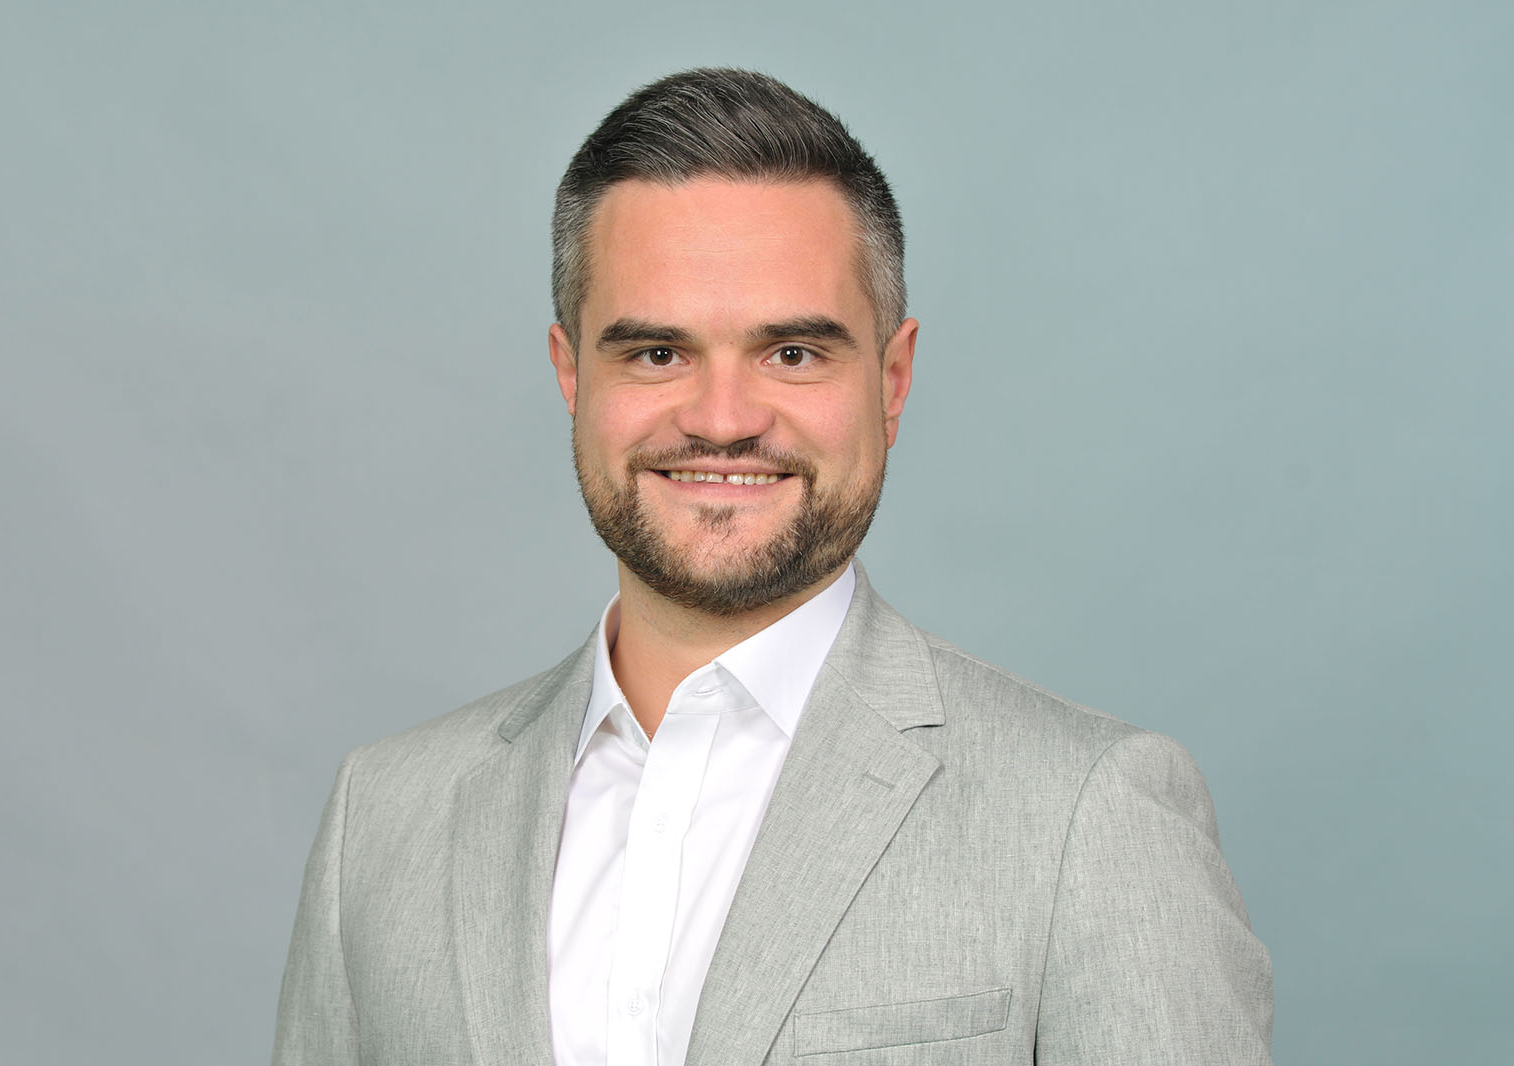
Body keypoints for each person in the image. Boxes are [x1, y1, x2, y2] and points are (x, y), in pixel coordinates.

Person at [272, 68, 1274, 1066]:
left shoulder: (1088, 815)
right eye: (656, 353)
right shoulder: (384, 817)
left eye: (791, 353)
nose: (722, 420)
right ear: (570, 373)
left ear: (892, 379)